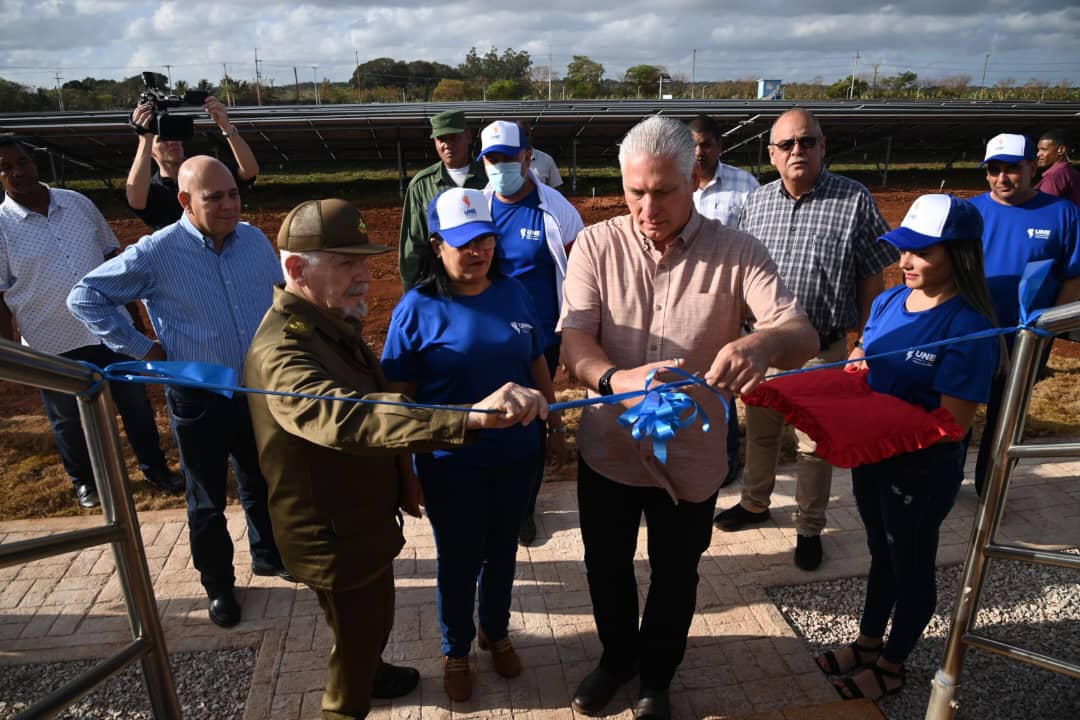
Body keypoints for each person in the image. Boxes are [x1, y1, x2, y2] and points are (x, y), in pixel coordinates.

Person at [245, 198, 548, 720]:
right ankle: (381, 685)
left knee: (371, 630)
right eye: (347, 263)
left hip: (366, 519)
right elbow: (354, 416)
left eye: (365, 261)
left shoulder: (329, 324)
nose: (366, 275)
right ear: (296, 269)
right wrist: (467, 420)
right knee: (356, 654)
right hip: (335, 532)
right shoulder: (285, 351)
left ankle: (405, 664)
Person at [559, 116, 818, 720]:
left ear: (695, 178)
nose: (648, 207)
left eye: (664, 190)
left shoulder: (737, 252)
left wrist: (761, 346)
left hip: (693, 455)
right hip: (610, 449)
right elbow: (575, 342)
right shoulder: (596, 246)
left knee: (677, 573)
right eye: (635, 192)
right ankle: (616, 659)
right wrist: (615, 380)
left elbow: (798, 331)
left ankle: (657, 675)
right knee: (606, 565)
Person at [67, 155, 290, 629]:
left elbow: (278, 298)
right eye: (215, 198)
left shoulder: (253, 240)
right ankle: (219, 585)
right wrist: (142, 347)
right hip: (197, 396)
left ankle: (269, 554)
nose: (230, 205)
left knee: (260, 478)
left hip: (254, 389)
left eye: (233, 194)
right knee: (206, 496)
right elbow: (84, 296)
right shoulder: (156, 251)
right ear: (186, 201)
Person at [815, 194, 1000, 702]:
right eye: (903, 249)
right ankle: (869, 644)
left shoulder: (970, 326)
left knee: (911, 560)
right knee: (881, 553)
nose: (905, 262)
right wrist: (849, 370)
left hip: (921, 468)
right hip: (873, 456)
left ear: (959, 255)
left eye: (922, 252)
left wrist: (878, 411)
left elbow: (952, 424)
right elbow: (862, 350)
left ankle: (893, 667)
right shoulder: (888, 301)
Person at [381, 187, 561, 702]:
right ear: (436, 245)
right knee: (459, 559)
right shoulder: (416, 309)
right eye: (463, 242)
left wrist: (553, 427)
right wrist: (405, 473)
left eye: (485, 239)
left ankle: (495, 631)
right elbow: (398, 406)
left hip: (515, 458)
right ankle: (455, 646)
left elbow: (535, 362)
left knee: (503, 551)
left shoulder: (515, 293)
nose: (477, 251)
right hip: (450, 464)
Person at [714, 108, 897, 572]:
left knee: (815, 447)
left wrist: (864, 340)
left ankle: (809, 527)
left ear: (822, 146)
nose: (798, 151)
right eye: (787, 144)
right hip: (764, 347)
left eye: (807, 142)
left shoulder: (853, 200)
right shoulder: (756, 204)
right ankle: (755, 503)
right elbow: (738, 276)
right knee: (760, 434)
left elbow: (872, 273)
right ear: (772, 154)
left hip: (823, 349)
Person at [0, 137, 182, 509]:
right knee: (68, 417)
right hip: (51, 337)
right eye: (6, 168)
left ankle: (155, 468)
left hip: (110, 328)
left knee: (135, 404)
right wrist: (9, 353)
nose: (18, 172)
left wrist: (135, 323)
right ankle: (86, 481)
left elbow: (115, 263)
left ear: (35, 162)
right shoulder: (1, 227)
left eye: (22, 161)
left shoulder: (78, 204)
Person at [477, 119, 583, 545]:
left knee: (532, 421)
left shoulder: (556, 209)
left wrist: (573, 335)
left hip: (543, 338)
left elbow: (580, 275)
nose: (502, 166)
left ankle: (524, 507)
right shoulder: (478, 206)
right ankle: (491, 499)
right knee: (492, 416)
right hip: (489, 338)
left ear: (528, 156)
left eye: (509, 157)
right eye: (493, 159)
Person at [968, 133, 1080, 497]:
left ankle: (991, 487)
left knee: (1005, 415)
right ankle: (947, 480)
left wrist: (1047, 325)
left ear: (1033, 167)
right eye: (994, 170)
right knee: (958, 409)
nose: (1002, 178)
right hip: (970, 332)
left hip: (1027, 337)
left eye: (1012, 169)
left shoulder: (1063, 214)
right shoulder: (970, 214)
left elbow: (1072, 276)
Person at [686, 114, 761, 489]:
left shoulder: (744, 186)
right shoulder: (675, 180)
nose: (699, 152)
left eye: (706, 144)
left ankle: (727, 458)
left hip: (726, 298)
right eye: (694, 144)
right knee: (685, 376)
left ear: (720, 146)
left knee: (722, 382)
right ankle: (686, 448)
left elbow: (756, 245)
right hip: (680, 297)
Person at [127, 95, 259, 231]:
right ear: (150, 150)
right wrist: (145, 137)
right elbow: (135, 200)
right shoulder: (155, 190)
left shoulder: (206, 172)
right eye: (162, 139)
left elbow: (249, 171)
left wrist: (226, 126)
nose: (172, 142)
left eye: (174, 136)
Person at [398, 110, 487, 290]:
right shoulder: (421, 185)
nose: (447, 145)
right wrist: (410, 291)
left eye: (453, 137)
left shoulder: (488, 178)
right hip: (441, 283)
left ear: (468, 136)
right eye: (441, 139)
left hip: (484, 280)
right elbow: (413, 243)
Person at [1034, 128, 1080, 207]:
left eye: (1043, 149)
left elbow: (1043, 210)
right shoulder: (1070, 172)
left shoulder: (1054, 178)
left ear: (1061, 150)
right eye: (1038, 150)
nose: (1038, 154)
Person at [517, 121, 564, 189]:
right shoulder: (506, 159)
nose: (523, 138)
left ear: (531, 135)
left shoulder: (546, 160)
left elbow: (556, 188)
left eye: (526, 134)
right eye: (519, 135)